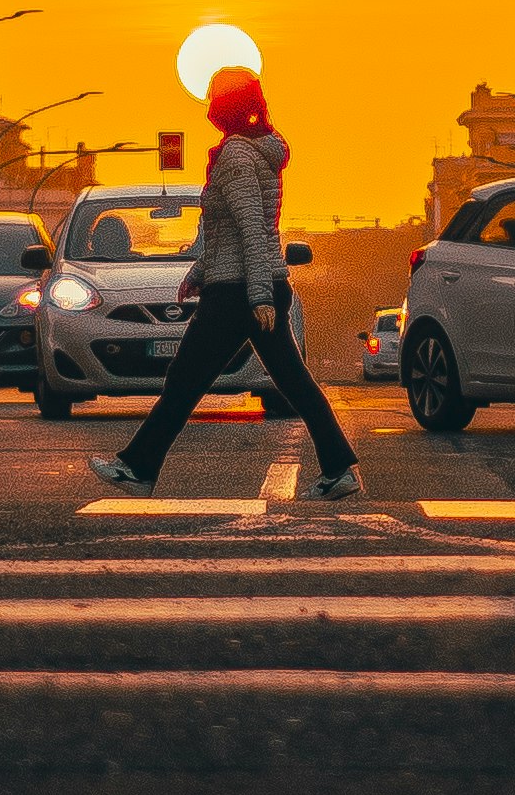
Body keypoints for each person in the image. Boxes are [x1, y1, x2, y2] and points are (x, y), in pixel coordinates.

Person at [89, 64, 361, 498]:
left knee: (185, 380)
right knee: (292, 381)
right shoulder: (258, 151)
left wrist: (258, 297)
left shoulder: (235, 154)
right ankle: (339, 469)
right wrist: (198, 273)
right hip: (252, 282)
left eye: (214, 100)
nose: (208, 110)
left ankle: (137, 469)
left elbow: (252, 226)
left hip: (239, 292)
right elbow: (231, 231)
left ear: (226, 107)